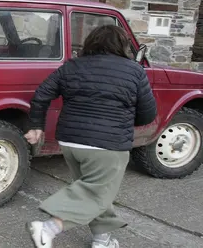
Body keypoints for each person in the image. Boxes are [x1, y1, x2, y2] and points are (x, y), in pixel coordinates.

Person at [24, 25, 157, 248]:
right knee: (95, 192)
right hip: (108, 146)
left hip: (70, 142)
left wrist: (37, 125)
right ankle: (48, 228)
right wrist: (119, 120)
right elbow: (148, 115)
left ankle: (101, 240)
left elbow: (41, 94)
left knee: (94, 191)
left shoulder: (72, 66)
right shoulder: (134, 71)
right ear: (122, 46)